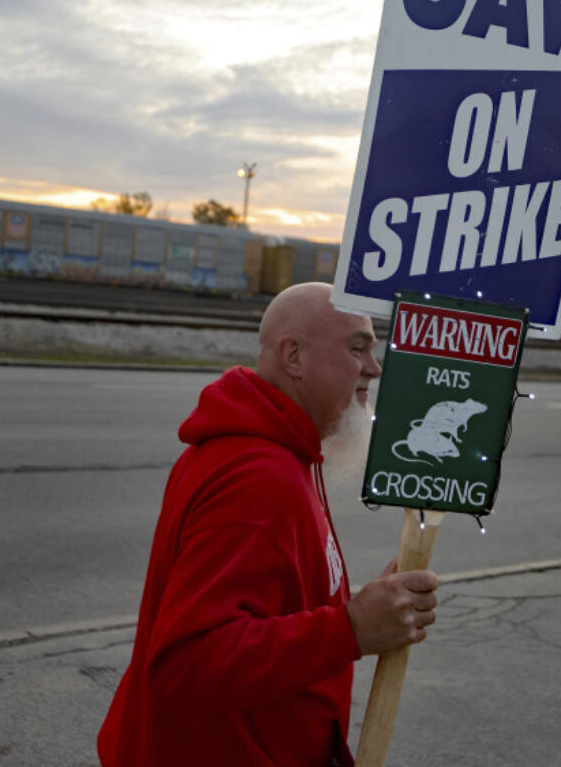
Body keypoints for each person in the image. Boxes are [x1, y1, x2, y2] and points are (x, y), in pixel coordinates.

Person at [98, 282, 439, 766]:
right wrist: (350, 628)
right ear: (294, 356)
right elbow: (188, 660)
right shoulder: (257, 477)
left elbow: (272, 600)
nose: (374, 367)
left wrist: (365, 608)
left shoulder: (282, 450)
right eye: (357, 347)